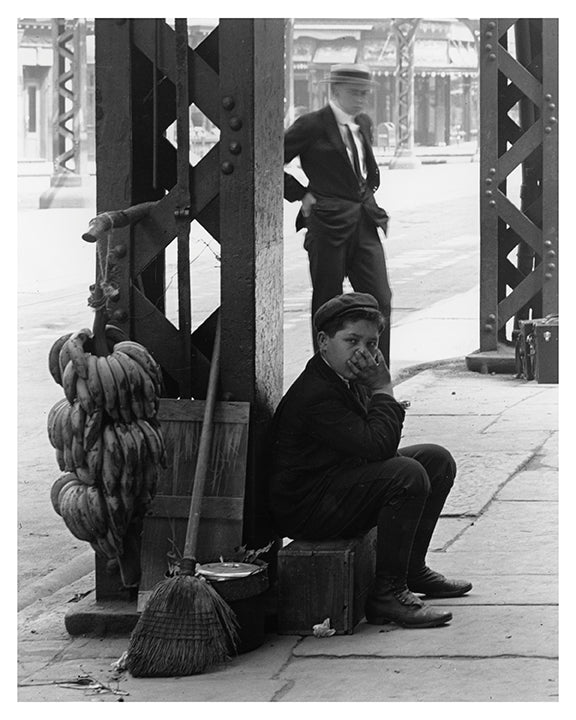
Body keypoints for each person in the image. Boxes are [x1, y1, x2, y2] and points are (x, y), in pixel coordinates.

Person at [268, 292, 472, 628]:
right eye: (351, 340)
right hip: (308, 507)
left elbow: (380, 446)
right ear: (323, 341)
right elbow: (379, 448)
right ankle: (388, 594)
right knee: (406, 475)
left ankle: (411, 570)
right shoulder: (316, 392)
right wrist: (383, 386)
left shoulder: (346, 376)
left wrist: (376, 391)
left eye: (371, 342)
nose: (362, 352)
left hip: (334, 483)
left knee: (436, 461)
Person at [284, 63, 393, 365]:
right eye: (354, 93)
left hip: (364, 223)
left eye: (364, 93)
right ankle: (328, 375)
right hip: (328, 225)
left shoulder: (364, 124)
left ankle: (375, 377)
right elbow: (269, 158)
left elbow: (363, 172)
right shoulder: (311, 125)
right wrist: (300, 193)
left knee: (380, 299)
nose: (361, 99)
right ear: (335, 91)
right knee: (328, 303)